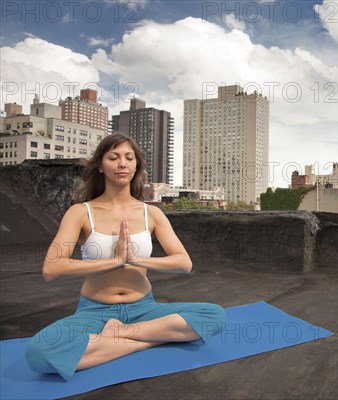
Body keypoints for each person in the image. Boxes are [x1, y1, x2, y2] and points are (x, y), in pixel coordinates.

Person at [25, 133, 226, 381]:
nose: (122, 164)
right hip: (94, 311)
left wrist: (136, 260)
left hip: (144, 308)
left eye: (129, 158)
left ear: (136, 167)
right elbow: (52, 268)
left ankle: (121, 335)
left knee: (214, 316)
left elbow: (183, 263)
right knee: (39, 352)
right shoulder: (80, 212)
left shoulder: (151, 213)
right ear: (100, 165)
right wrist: (114, 261)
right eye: (114, 157)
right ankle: (149, 340)